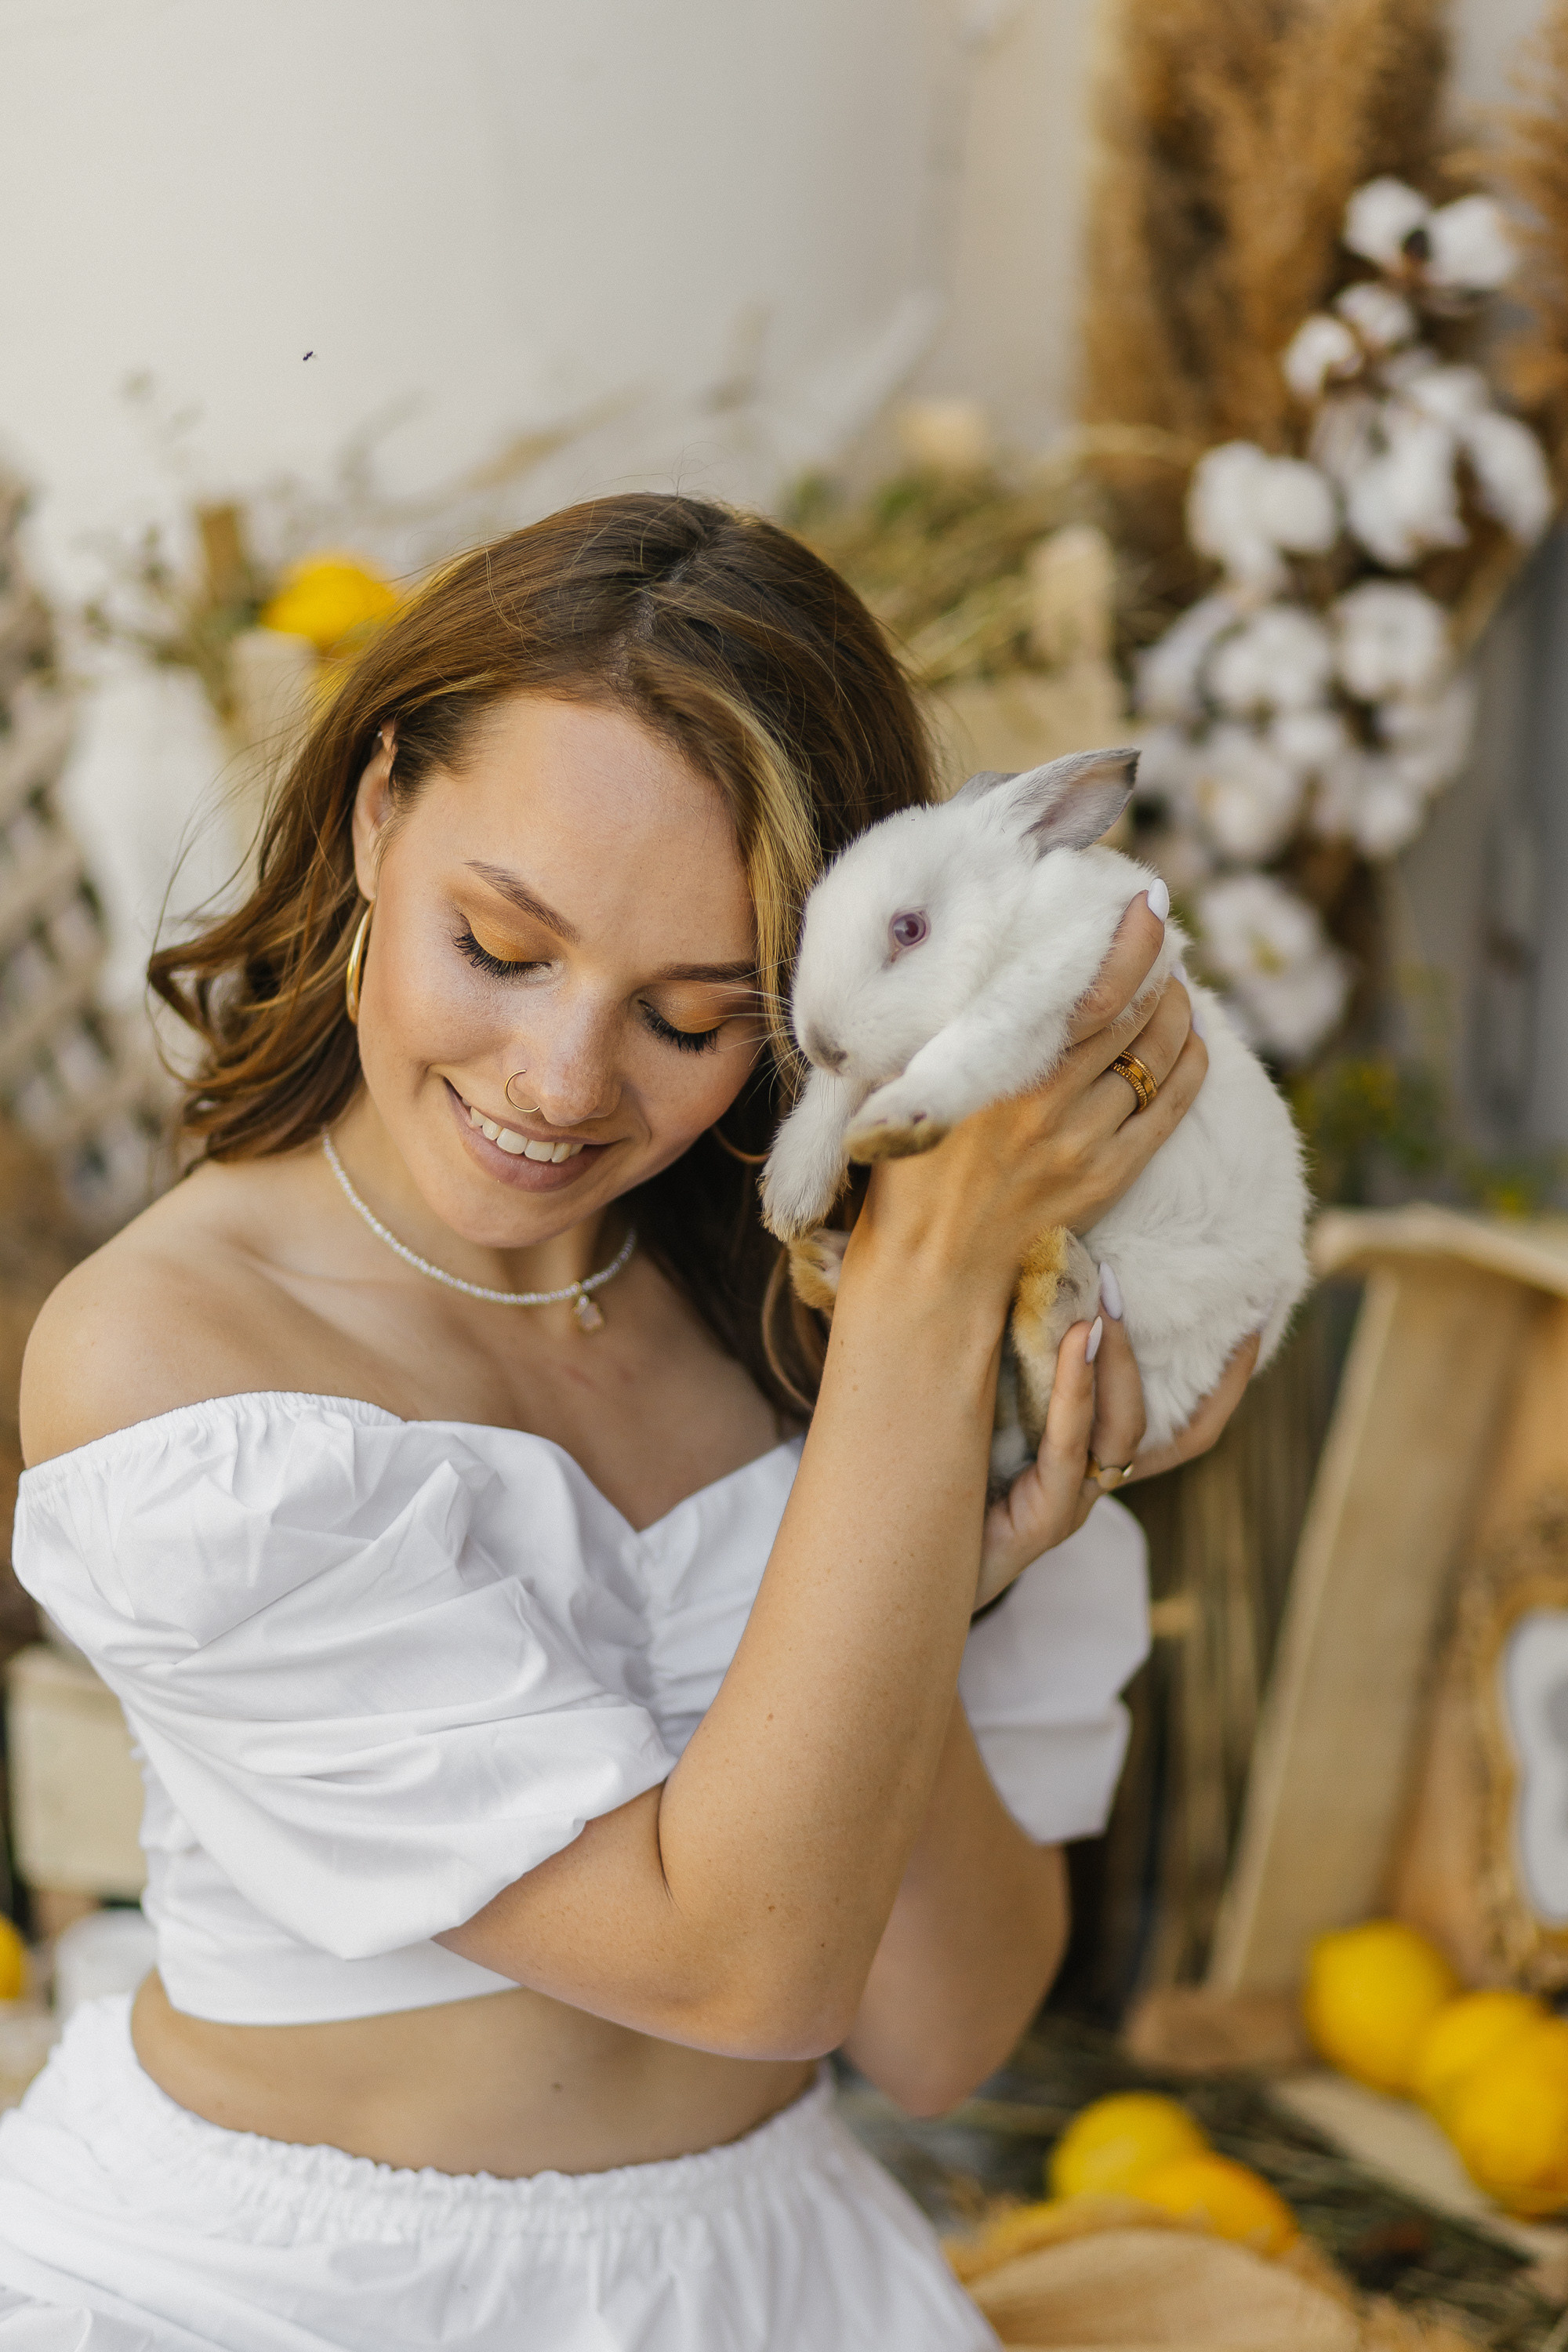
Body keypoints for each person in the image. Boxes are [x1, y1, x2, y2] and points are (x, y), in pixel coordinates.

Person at [0, 495, 1252, 2351]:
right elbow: (739, 1969)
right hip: (275, 2298)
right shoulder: (177, 1368)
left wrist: (928, 1562)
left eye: (693, 1014)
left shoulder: (779, 1303)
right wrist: (930, 1287)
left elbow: (939, 2036)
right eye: (501, 948)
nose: (561, 1081)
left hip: (780, 2276)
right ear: (375, 816)